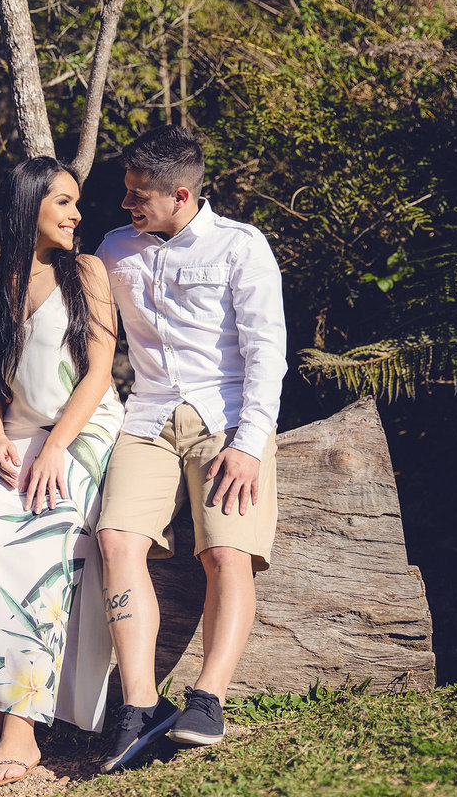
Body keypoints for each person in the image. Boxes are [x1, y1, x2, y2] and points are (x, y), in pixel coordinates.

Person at [92, 125, 287, 773]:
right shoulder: (115, 250)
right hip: (146, 414)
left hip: (226, 418)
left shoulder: (242, 248)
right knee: (117, 540)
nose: (127, 206)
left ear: (181, 194)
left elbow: (266, 355)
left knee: (226, 552)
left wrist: (251, 445)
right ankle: (141, 707)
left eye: (137, 196)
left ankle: (208, 698)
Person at [0, 156, 124, 789]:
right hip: (16, 435)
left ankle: (20, 731)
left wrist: (55, 450)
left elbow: (100, 373)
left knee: (44, 536)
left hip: (83, 429)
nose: (78, 214)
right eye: (64, 203)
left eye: (76, 203)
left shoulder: (88, 273)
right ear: (30, 208)